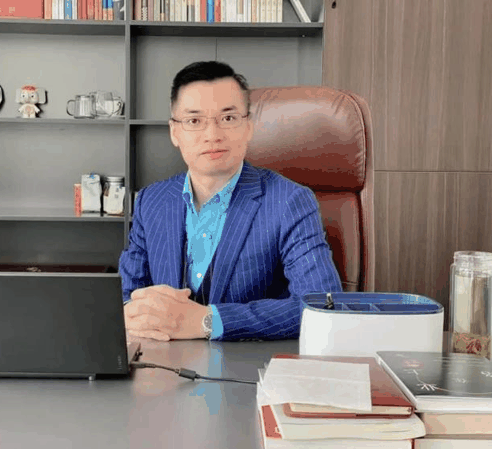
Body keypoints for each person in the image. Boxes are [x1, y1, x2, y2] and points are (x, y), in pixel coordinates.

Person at [119, 61, 341, 342]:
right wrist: (130, 313)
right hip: (160, 361)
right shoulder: (151, 200)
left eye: (228, 118)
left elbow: (322, 306)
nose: (212, 135)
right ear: (175, 132)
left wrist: (208, 321)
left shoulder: (290, 201)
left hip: (246, 364)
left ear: (248, 126)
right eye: (194, 121)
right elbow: (127, 294)